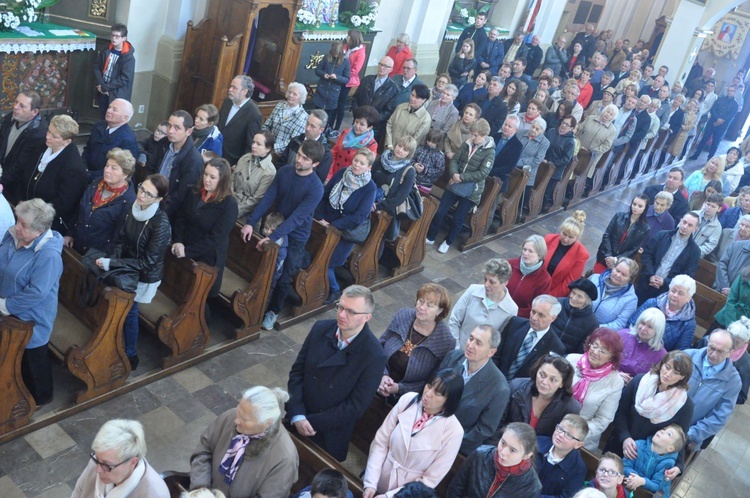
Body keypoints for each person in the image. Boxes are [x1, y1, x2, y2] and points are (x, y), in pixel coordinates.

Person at [286, 285, 387, 461]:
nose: (341, 315)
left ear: (366, 317)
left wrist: (311, 422)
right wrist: (297, 413)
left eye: (350, 311)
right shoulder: (320, 328)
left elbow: (355, 406)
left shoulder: (374, 355)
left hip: (327, 432)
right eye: (340, 307)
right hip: (297, 417)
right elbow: (297, 372)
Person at [242, 139, 325, 330]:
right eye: (300, 154)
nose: (299, 159)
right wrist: (251, 222)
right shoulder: (285, 171)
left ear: (315, 164)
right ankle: (257, 306)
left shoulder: (316, 187)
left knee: (283, 275)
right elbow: (269, 197)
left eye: (305, 158)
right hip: (275, 225)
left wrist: (272, 237)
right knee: (265, 270)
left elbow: (297, 218)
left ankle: (273, 311)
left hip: (295, 236)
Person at [97, 174, 171, 370]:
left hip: (144, 276)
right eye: (141, 188)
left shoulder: (160, 224)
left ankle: (130, 354)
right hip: (126, 267)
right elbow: (121, 240)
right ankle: (108, 343)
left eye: (148, 194)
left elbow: (149, 262)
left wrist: (113, 263)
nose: (142, 195)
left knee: (130, 311)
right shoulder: (134, 207)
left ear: (158, 199)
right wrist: (114, 261)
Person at [363, 369, 464, 498]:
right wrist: (370, 483)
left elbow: (430, 479)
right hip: (380, 475)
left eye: (437, 393)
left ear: (449, 400)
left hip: (408, 493)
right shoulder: (408, 400)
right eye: (429, 385)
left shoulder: (454, 431)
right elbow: (381, 442)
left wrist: (389, 496)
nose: (428, 393)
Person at [0, 199, 62, 405]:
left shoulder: (49, 255)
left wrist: (6, 306)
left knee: (32, 361)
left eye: (23, 225)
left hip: (30, 318)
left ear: (39, 231)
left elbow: (37, 292)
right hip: (7, 305)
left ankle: (40, 399)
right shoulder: (14, 235)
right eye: (18, 220)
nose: (17, 227)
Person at [190, 386, 298, 498]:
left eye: (245, 419)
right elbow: (204, 449)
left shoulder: (284, 458)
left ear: (267, 423)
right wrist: (201, 489)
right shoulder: (230, 417)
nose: (236, 420)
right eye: (238, 411)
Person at [605, 351, 694, 478]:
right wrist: (625, 437)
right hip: (620, 442)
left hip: (646, 459)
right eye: (667, 367)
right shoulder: (640, 380)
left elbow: (680, 438)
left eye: (676, 372)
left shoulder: (685, 405)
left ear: (682, 377)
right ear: (662, 364)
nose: (668, 374)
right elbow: (620, 412)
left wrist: (679, 466)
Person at [316, 148, 377, 304]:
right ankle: (315, 286)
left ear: (369, 167)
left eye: (362, 163)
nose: (356, 165)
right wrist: (320, 217)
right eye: (356, 160)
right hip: (325, 221)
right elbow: (325, 194)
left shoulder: (370, 188)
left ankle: (335, 290)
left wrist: (334, 225)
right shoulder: (343, 172)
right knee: (315, 254)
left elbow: (359, 216)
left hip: (344, 231)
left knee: (328, 263)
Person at [172, 157, 238, 297]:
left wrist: (188, 251)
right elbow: (181, 218)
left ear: (222, 180)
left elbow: (215, 238)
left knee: (196, 297)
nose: (206, 179)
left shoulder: (229, 205)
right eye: (205, 174)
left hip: (207, 258)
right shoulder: (195, 191)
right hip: (184, 247)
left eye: (212, 177)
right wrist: (178, 241)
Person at [426, 118, 494, 254]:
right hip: (455, 183)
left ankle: (448, 241)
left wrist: (461, 177)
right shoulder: (467, 143)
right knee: (440, 211)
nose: (472, 137)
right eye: (472, 134)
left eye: (476, 135)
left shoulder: (490, 152)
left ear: (484, 136)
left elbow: (482, 173)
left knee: (458, 218)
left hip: (471, 191)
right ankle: (431, 236)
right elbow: (455, 160)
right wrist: (454, 173)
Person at [440, 325, 510, 455]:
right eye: (470, 338)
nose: (470, 345)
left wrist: (448, 441)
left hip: (456, 448)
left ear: (491, 352)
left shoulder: (499, 388)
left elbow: (483, 430)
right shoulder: (452, 357)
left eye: (478, 343)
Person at [13, 114, 88, 235]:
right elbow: (26, 173)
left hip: (44, 225)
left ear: (67, 141)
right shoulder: (42, 146)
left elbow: (61, 205)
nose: (47, 136)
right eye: (48, 131)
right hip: (25, 212)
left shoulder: (74, 168)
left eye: (54, 136)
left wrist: (33, 216)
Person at [378, 284, 455, 398]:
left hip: (406, 397)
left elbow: (431, 382)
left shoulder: (445, 341)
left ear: (440, 311)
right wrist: (383, 375)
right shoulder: (403, 315)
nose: (422, 307)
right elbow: (380, 345)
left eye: (429, 305)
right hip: (377, 376)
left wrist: (399, 388)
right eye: (421, 301)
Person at [65, 147, 137, 255]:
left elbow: (118, 237)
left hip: (97, 255)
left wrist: (101, 257)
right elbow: (79, 209)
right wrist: (70, 233)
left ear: (125, 174)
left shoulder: (129, 200)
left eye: (114, 168)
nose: (107, 170)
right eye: (107, 165)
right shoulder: (96, 183)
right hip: (76, 245)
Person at [71, 419, 169, 497]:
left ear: (132, 462)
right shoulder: (98, 461)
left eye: (106, 465)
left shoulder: (155, 494)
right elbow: (77, 493)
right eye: (97, 459)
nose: (97, 470)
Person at [446, 422, 542, 498]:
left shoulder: (532, 486)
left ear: (527, 456)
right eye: (503, 443)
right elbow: (455, 489)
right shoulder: (480, 455)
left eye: (513, 450)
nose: (503, 452)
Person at [566, 329, 624, 450]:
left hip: (582, 439)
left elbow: (603, 420)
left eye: (603, 351)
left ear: (612, 358)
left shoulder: (615, 382)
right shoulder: (571, 360)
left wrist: (573, 433)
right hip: (553, 424)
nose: (595, 352)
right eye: (595, 345)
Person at [685, 329, 742, 449]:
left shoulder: (733, 381)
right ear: (707, 342)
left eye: (720, 351)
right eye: (711, 348)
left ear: (730, 353)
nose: (713, 354)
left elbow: (719, 417)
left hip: (688, 435)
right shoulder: (687, 356)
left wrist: (690, 434)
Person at [145, 110, 204, 222]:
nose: (170, 131)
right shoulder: (163, 143)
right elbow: (150, 168)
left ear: (189, 131)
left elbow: (181, 197)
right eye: (170, 126)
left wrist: (159, 213)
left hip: (169, 213)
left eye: (177, 128)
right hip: (150, 197)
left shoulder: (194, 160)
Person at [500, 355, 580, 436]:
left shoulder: (570, 408)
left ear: (562, 383)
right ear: (536, 371)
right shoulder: (516, 386)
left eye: (552, 379)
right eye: (542, 375)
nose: (544, 382)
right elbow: (498, 423)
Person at [448, 258, 518, 349]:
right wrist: (455, 349)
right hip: (457, 348)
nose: (486, 284)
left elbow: (498, 340)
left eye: (492, 282)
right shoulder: (472, 290)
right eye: (485, 279)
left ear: (504, 283)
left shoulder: (511, 309)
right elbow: (454, 320)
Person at [494, 296, 567, 381]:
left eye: (541, 315)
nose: (534, 318)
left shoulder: (556, 347)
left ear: (552, 318)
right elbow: (496, 354)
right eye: (533, 311)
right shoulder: (514, 324)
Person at [636, 212, 700, 304]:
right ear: (681, 221)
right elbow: (647, 254)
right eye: (684, 222)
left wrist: (665, 282)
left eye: (690, 225)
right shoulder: (662, 235)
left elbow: (687, 274)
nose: (685, 226)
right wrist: (650, 275)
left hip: (667, 291)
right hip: (646, 281)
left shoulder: (694, 251)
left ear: (695, 229)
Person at [628, 275, 696, 352]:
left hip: (658, 358)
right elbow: (631, 324)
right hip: (633, 346)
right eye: (673, 290)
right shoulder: (651, 303)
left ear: (689, 298)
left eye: (680, 293)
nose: (675, 295)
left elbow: (679, 352)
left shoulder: (688, 323)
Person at [372, 136, 417, 242]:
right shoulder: (383, 158)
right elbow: (370, 177)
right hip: (370, 199)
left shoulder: (409, 171)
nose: (400, 150)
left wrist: (379, 205)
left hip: (386, 209)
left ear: (409, 154)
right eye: (399, 146)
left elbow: (400, 197)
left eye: (405, 150)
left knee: (377, 240)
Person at [81, 98, 139, 180]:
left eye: (114, 110)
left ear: (125, 118)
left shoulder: (127, 140)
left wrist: (89, 175)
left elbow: (120, 170)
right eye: (109, 107)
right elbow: (88, 149)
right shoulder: (99, 126)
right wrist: (83, 167)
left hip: (106, 180)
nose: (109, 111)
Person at [622, 425, 685, 497]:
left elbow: (657, 487)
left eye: (669, 434)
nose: (662, 431)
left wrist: (642, 481)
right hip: (631, 487)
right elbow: (625, 465)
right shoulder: (638, 445)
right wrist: (633, 476)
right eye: (664, 429)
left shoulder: (668, 463)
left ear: (670, 448)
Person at [594, 194, 650, 274]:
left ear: (645, 209)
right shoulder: (619, 216)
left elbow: (634, 249)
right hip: (605, 256)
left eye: (640, 206)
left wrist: (616, 259)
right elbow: (607, 235)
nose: (635, 207)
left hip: (621, 263)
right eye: (634, 204)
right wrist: (608, 256)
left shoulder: (645, 228)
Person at [0, 91, 47, 187]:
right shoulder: (10, 118)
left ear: (34, 112)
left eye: (22, 106)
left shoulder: (39, 134)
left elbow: (20, 165)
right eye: (16, 102)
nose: (15, 107)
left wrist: (1, 181)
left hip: (16, 184)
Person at [535, 414, 588, 498]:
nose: (560, 435)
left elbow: (566, 496)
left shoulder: (578, 468)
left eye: (569, 435)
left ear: (578, 444)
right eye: (560, 429)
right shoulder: (538, 442)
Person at [351, 56, 399, 143]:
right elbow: (355, 98)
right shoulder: (367, 79)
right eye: (380, 64)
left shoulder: (393, 89)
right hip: (358, 122)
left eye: (385, 66)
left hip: (374, 128)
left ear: (391, 69)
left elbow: (388, 111)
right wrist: (358, 114)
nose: (381, 67)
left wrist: (371, 121)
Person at [217, 75, 262, 166]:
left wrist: (239, 165)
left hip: (232, 160)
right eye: (230, 86)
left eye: (234, 88)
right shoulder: (227, 101)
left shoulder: (254, 114)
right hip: (216, 150)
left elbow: (250, 145)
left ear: (244, 91)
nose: (230, 89)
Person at [279, 110, 333, 183]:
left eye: (312, 126)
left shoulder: (325, 154)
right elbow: (281, 163)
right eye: (307, 123)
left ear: (321, 130)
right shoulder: (296, 141)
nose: (307, 128)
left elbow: (318, 180)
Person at [94, 24, 135, 119]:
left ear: (124, 38)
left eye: (117, 36)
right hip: (103, 89)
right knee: (102, 116)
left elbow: (125, 78)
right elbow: (97, 66)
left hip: (116, 93)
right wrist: (101, 86)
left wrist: (106, 88)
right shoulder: (106, 49)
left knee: (113, 119)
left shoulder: (128, 57)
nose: (113, 39)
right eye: (112, 35)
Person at [232, 130, 276, 220]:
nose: (253, 146)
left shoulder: (270, 172)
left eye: (258, 144)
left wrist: (235, 210)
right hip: (230, 201)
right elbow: (232, 179)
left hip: (246, 213)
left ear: (268, 149)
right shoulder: (245, 158)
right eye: (253, 142)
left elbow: (256, 199)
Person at [544, 212, 590, 298]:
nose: (565, 239)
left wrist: (548, 297)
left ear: (577, 237)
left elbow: (569, 283)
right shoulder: (549, 239)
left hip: (553, 292)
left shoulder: (582, 254)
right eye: (564, 234)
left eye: (571, 237)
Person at [328, 105, 379, 180]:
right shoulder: (346, 132)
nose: (357, 126)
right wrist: (329, 175)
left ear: (369, 127)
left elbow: (365, 169)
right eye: (356, 121)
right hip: (334, 173)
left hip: (350, 180)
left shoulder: (372, 145)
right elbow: (334, 153)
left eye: (362, 124)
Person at [506, 235, 552, 318]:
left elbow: (536, 307)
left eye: (530, 251)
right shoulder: (510, 264)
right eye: (524, 249)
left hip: (517, 317)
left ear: (540, 255)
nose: (525, 253)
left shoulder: (544, 279)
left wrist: (513, 313)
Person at [618, 308, 667, 383]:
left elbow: (655, 382)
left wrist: (635, 383)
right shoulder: (621, 335)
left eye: (650, 327)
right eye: (643, 323)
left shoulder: (661, 355)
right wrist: (616, 374)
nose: (643, 328)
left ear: (657, 331)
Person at [690, 86, 740, 160]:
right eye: (728, 90)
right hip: (712, 122)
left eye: (731, 91)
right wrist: (717, 119)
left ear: (734, 92)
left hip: (722, 126)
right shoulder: (720, 99)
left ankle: (709, 159)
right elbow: (713, 110)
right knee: (704, 139)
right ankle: (696, 155)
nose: (729, 92)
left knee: (715, 143)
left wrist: (720, 121)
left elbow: (731, 116)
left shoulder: (735, 104)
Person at [331, 29, 366, 135]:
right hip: (338, 78)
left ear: (353, 38)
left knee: (341, 104)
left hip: (347, 81)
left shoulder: (360, 53)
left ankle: (336, 128)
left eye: (348, 36)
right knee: (334, 102)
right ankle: (330, 124)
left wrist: (342, 74)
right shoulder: (346, 47)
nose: (346, 38)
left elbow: (355, 70)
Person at [589, 257, 639, 330]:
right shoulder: (594, 279)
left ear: (630, 279)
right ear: (613, 268)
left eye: (623, 274)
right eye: (617, 270)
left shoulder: (631, 300)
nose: (618, 275)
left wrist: (594, 329)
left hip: (598, 334)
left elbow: (620, 323)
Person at [552, 279, 600, 354]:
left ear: (587, 300)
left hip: (564, 356)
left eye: (579, 296)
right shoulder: (557, 303)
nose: (574, 298)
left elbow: (581, 349)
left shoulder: (592, 323)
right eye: (573, 293)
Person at [312, 41, 351, 134]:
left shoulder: (345, 62)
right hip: (322, 90)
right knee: (317, 113)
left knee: (329, 115)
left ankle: (325, 132)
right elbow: (317, 70)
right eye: (334, 54)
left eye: (338, 54)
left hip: (333, 92)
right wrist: (323, 74)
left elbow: (347, 79)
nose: (336, 56)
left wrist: (337, 77)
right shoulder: (326, 58)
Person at [260, 83, 308, 153]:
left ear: (300, 98)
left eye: (294, 94)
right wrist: (264, 141)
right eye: (289, 92)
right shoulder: (280, 105)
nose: (290, 95)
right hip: (267, 145)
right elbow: (266, 125)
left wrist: (272, 148)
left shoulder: (303, 116)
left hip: (283, 154)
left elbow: (293, 141)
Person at [542, 115, 576, 208]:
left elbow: (566, 159)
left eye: (567, 125)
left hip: (554, 170)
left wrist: (552, 163)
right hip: (542, 165)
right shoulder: (551, 131)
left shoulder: (570, 141)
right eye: (563, 123)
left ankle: (542, 206)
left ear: (571, 128)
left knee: (546, 192)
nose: (564, 125)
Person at [385, 84, 431, 150]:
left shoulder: (425, 119)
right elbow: (389, 125)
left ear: (424, 100)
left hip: (404, 152)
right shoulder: (400, 107)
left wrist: (400, 149)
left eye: (417, 97)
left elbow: (416, 140)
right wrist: (389, 144)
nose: (412, 99)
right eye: (412, 95)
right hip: (389, 148)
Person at [489, 116, 523, 193]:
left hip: (498, 181)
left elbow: (509, 167)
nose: (506, 127)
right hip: (483, 174)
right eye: (505, 124)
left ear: (516, 129)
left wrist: (491, 171)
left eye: (509, 126)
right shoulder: (494, 136)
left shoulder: (517, 146)